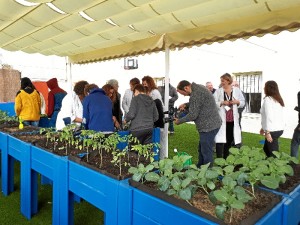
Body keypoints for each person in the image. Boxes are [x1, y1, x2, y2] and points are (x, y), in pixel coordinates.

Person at [175, 80, 222, 167]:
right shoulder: (199, 88)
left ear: (186, 88)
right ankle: (200, 167)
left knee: (206, 151)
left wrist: (179, 121)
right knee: (202, 149)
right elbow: (199, 102)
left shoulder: (195, 94)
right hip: (213, 123)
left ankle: (208, 172)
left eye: (183, 93)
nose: (184, 95)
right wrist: (186, 104)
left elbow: (192, 115)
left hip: (209, 126)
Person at [214, 73, 245, 159]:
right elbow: (213, 103)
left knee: (229, 140)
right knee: (219, 141)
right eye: (221, 81)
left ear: (228, 80)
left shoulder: (237, 90)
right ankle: (219, 159)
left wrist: (237, 102)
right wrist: (222, 102)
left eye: (223, 81)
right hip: (222, 120)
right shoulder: (218, 91)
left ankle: (225, 158)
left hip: (232, 121)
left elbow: (243, 103)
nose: (222, 82)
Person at [260, 80, 285, 157]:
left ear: (268, 88)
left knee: (273, 154)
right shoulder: (277, 99)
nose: (264, 88)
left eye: (265, 86)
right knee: (266, 149)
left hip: (272, 130)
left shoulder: (268, 99)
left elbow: (269, 116)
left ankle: (276, 167)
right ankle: (268, 165)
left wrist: (267, 132)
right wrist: (263, 128)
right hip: (278, 128)